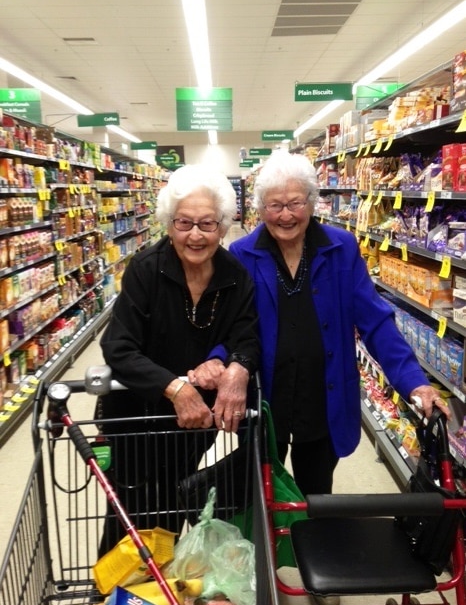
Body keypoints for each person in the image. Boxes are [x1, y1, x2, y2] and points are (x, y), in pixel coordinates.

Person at [230, 149, 451, 498]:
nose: (285, 215)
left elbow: (375, 320)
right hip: (266, 398)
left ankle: (312, 550)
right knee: (260, 495)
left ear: (312, 202)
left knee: (317, 497)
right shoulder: (242, 254)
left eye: (295, 203)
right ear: (260, 208)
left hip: (324, 396)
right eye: (274, 205)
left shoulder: (340, 247)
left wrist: (414, 382)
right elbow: (230, 326)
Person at [97, 163, 260, 556]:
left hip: (191, 430)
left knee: (175, 507)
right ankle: (117, 590)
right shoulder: (146, 270)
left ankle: (164, 586)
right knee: (130, 520)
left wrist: (236, 365)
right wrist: (175, 388)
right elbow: (118, 347)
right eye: (184, 222)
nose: (195, 234)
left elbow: (247, 335)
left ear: (223, 227)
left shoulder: (235, 274)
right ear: (168, 224)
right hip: (135, 421)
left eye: (207, 224)